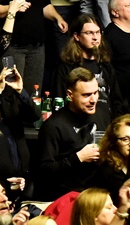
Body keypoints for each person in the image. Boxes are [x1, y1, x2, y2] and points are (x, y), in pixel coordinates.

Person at [35, 67, 112, 201]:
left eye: (96, 93)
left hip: (98, 193)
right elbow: (44, 171)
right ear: (70, 95)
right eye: (86, 95)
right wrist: (78, 157)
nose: (93, 100)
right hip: (66, 197)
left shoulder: (102, 114)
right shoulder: (53, 126)